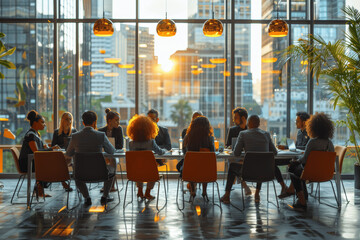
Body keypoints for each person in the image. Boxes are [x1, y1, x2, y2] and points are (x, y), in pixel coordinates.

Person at [220, 115, 288, 204]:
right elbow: (274, 152)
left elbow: (236, 153)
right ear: (259, 124)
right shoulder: (266, 134)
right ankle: (258, 193)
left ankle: (227, 195)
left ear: (248, 123)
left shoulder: (243, 134)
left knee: (232, 166)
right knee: (261, 163)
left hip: (248, 173)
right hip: (265, 172)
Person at [66, 111, 116, 206]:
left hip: (81, 174)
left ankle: (87, 197)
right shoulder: (101, 135)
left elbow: (69, 153)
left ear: (83, 123)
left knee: (76, 174)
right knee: (113, 165)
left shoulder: (75, 136)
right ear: (94, 122)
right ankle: (105, 196)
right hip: (100, 173)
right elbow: (112, 151)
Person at [287, 113, 335, 210]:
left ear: (313, 127)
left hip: (310, 172)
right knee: (298, 171)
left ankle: (302, 200)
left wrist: (296, 161)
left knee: (293, 169)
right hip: (325, 173)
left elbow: (304, 159)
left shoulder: (312, 142)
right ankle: (303, 195)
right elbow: (331, 158)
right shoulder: (329, 143)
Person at [18, 110, 60, 197]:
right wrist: (51, 149)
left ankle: (39, 189)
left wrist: (45, 147)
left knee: (49, 165)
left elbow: (37, 151)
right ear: (35, 123)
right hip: (26, 164)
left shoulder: (35, 134)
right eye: (42, 122)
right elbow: (36, 152)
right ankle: (39, 190)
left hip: (32, 162)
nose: (44, 124)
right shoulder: (31, 135)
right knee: (49, 166)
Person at [127, 115, 167, 200]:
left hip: (135, 173)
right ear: (149, 129)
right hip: (149, 172)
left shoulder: (131, 143)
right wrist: (165, 151)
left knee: (138, 168)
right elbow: (160, 152)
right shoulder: (151, 142)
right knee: (153, 169)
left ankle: (140, 191)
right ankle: (147, 192)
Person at [177, 116, 215, 201]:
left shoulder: (187, 138)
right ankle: (204, 191)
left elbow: (185, 153)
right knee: (205, 165)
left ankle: (193, 190)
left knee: (188, 165)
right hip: (207, 172)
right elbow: (212, 154)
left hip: (190, 171)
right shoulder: (210, 138)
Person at [98, 108, 124, 192]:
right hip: (104, 155)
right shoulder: (101, 131)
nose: (118, 122)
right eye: (116, 120)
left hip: (114, 154)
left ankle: (110, 186)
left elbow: (120, 146)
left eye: (118, 120)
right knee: (104, 161)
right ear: (109, 121)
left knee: (112, 160)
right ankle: (107, 186)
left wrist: (111, 148)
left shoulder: (119, 129)